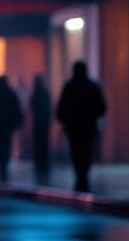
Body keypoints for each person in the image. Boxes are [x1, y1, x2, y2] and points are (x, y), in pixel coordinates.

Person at [56, 61, 107, 193]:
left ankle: (80, 176)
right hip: (87, 126)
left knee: (77, 151)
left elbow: (62, 106)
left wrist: (63, 119)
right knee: (85, 152)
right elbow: (101, 106)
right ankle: (83, 176)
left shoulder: (70, 86)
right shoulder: (91, 86)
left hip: (74, 127)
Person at [30, 75, 52, 181]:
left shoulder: (36, 94)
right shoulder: (44, 93)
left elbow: (32, 107)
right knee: (43, 144)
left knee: (39, 145)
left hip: (39, 123)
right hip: (43, 123)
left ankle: (41, 164)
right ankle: (43, 164)